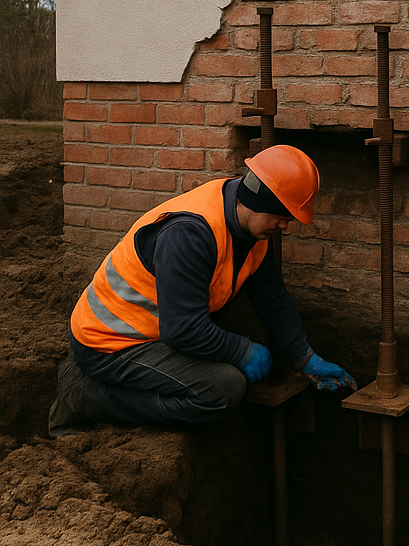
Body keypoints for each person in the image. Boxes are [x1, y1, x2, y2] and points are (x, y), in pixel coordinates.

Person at [49, 144, 356, 437]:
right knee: (221, 389)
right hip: (109, 343)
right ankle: (87, 396)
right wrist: (242, 351)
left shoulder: (248, 226)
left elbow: (271, 297)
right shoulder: (190, 234)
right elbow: (183, 329)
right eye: (283, 216)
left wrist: (304, 357)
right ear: (262, 202)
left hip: (156, 332)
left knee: (226, 357)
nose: (285, 226)